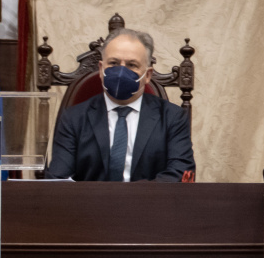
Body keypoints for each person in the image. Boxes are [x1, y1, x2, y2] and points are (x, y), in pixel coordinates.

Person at [44, 28, 194, 182]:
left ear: (147, 75)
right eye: (114, 63)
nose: (121, 71)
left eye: (131, 65)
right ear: (101, 70)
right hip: (90, 204)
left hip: (149, 204)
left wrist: (129, 199)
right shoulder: (74, 118)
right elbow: (58, 178)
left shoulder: (172, 118)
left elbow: (180, 174)